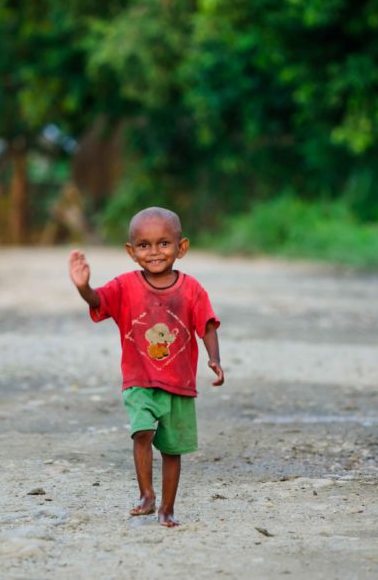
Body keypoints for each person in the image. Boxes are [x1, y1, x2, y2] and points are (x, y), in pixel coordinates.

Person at [68, 207, 224, 527]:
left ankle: (167, 508)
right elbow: (99, 301)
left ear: (181, 248)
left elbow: (207, 324)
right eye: (144, 245)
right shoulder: (125, 286)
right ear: (131, 251)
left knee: (171, 449)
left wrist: (214, 359)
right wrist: (83, 287)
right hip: (139, 379)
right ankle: (146, 495)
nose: (154, 252)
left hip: (179, 383)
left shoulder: (191, 289)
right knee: (142, 431)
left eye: (164, 243)